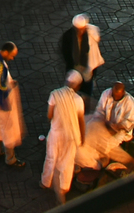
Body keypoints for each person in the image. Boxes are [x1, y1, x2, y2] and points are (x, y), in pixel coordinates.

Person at [41, 71, 86, 204]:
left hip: (56, 134)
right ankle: (64, 187)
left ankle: (45, 182)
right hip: (71, 136)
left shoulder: (55, 94)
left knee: (50, 158)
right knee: (67, 162)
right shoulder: (78, 100)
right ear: (77, 86)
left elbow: (49, 115)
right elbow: (81, 121)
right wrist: (82, 137)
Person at [0, 43, 26, 167]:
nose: (12, 59)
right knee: (8, 129)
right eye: (12, 56)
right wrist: (9, 89)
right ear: (6, 52)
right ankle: (10, 158)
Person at [82, 82, 134, 171]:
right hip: (105, 125)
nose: (115, 98)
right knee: (89, 129)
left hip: (121, 132)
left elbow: (127, 125)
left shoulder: (130, 103)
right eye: (114, 95)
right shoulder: (106, 93)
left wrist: (114, 129)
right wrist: (100, 124)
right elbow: (100, 111)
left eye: (117, 96)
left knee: (106, 146)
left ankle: (101, 163)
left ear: (123, 93)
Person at [59, 13, 104, 86]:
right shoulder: (68, 36)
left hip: (87, 66)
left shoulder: (90, 34)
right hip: (74, 66)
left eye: (82, 29)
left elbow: (92, 51)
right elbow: (65, 52)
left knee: (87, 84)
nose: (80, 31)